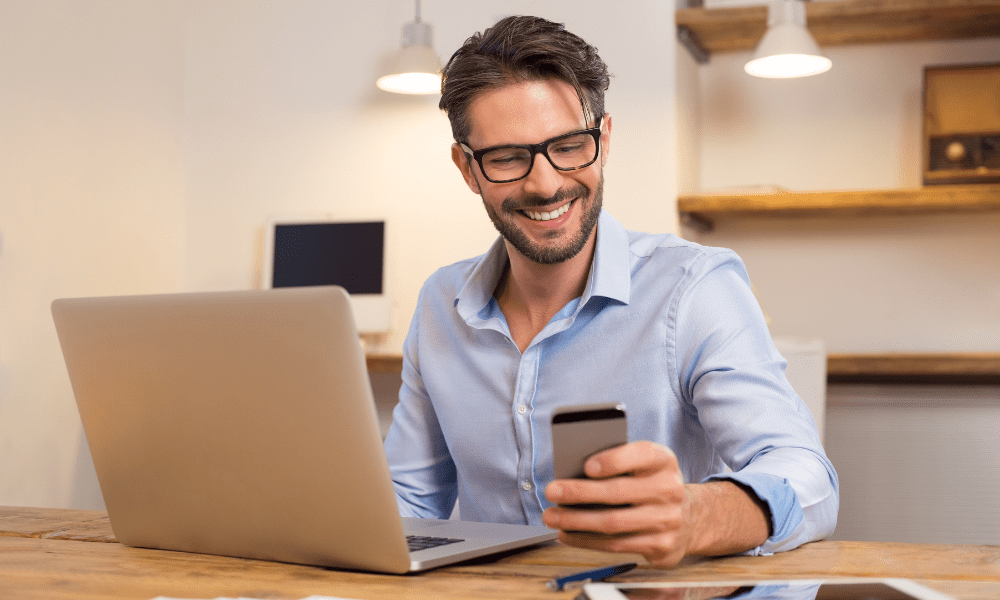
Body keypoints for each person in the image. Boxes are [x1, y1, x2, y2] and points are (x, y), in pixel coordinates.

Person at [383, 15, 838, 567]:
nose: (546, 183)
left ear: (604, 140)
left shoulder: (694, 289)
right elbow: (408, 505)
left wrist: (699, 515)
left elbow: (805, 474)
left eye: (570, 146)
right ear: (467, 168)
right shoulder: (440, 305)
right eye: (507, 157)